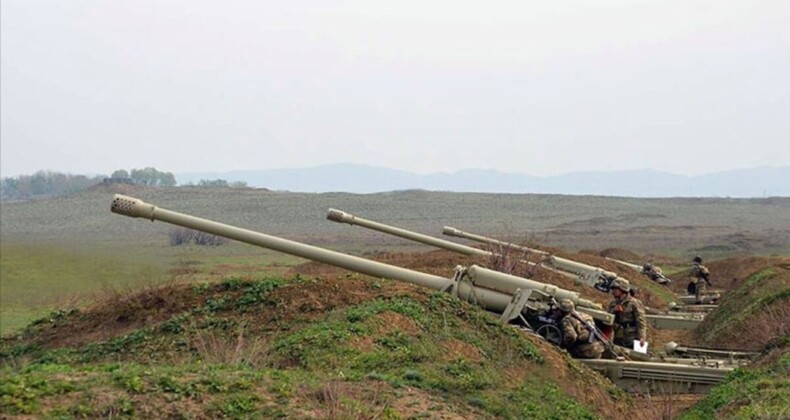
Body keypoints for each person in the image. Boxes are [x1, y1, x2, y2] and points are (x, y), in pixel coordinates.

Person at [607, 278, 647, 349]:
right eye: (613, 289)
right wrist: (614, 311)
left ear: (623, 289)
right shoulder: (612, 303)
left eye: (616, 289)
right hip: (617, 336)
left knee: (636, 357)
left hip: (632, 336)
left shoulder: (634, 303)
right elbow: (607, 318)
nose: (614, 291)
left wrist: (642, 337)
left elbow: (641, 321)